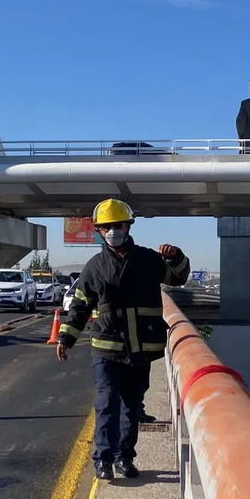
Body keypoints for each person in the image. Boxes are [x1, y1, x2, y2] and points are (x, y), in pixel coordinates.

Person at [57, 198, 191, 480]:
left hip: (141, 349)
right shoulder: (94, 267)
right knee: (107, 403)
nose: (112, 231)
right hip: (105, 349)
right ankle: (103, 460)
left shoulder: (148, 260)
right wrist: (66, 338)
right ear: (99, 231)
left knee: (131, 405)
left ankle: (124, 458)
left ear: (128, 226)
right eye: (106, 227)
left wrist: (176, 256)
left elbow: (178, 277)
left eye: (117, 225)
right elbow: (80, 306)